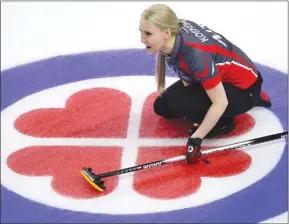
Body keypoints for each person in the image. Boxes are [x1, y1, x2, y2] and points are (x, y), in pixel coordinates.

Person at [139, 3, 271, 164]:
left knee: (179, 102)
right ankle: (233, 104)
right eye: (141, 31)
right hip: (226, 78)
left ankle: (226, 122)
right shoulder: (174, 32)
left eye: (148, 33)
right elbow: (189, 77)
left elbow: (220, 102)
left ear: (166, 33)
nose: (142, 39)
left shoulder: (195, 55)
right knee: (162, 106)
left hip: (244, 89)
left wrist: (196, 139)